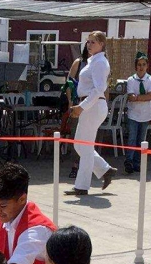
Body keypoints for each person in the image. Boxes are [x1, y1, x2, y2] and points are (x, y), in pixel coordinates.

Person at [66, 31, 117, 196]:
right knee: (80, 145)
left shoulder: (100, 62)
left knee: (85, 146)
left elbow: (99, 89)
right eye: (88, 42)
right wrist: (82, 105)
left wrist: (82, 106)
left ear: (101, 44)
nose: (89, 45)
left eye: (93, 42)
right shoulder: (94, 61)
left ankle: (82, 185)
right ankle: (105, 169)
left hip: (93, 105)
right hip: (90, 105)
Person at [125, 52, 151, 174]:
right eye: (139, 64)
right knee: (132, 138)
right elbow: (131, 97)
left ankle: (137, 163)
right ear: (135, 66)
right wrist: (142, 97)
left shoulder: (150, 79)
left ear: (147, 66)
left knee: (141, 139)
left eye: (143, 64)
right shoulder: (131, 80)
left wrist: (138, 97)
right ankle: (129, 161)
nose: (141, 67)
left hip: (145, 114)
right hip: (133, 114)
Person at [62, 43, 89, 179]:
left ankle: (87, 167)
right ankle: (75, 165)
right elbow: (69, 84)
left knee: (89, 138)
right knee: (76, 136)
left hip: (92, 106)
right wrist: (71, 102)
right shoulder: (79, 63)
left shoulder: (99, 63)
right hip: (78, 103)